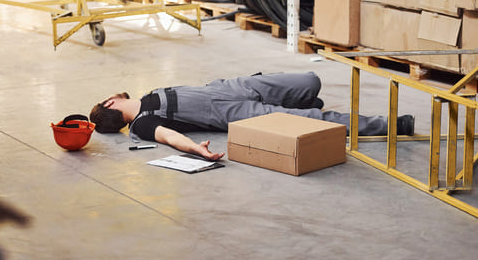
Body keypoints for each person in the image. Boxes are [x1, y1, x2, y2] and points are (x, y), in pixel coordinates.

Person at [89, 72, 414, 161]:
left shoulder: (147, 95)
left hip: (235, 86)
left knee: (310, 81)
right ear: (110, 104)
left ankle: (306, 103)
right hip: (232, 112)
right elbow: (169, 137)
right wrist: (196, 150)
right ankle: (393, 125)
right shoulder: (142, 124)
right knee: (317, 119)